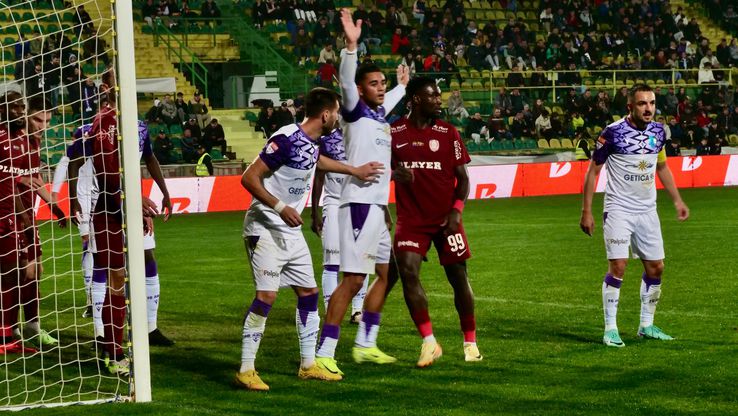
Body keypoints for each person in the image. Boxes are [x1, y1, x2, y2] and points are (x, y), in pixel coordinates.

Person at [235, 87, 383, 391]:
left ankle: (308, 365)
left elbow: (319, 162)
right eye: (337, 112)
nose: (339, 117)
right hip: (264, 226)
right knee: (267, 297)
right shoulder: (286, 137)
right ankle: (246, 369)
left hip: (289, 230)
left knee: (309, 293)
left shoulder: (312, 143)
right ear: (326, 114)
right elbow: (249, 177)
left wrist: (353, 170)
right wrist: (280, 206)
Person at [314, 9, 409, 377]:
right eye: (374, 83)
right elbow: (348, 84)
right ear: (360, 88)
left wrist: (401, 85)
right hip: (357, 207)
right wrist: (350, 47)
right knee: (353, 279)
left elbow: (387, 103)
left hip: (376, 208)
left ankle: (366, 344)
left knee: (389, 273)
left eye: (383, 82)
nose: (380, 87)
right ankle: (325, 351)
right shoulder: (353, 111)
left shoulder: (379, 117)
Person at [580, 84, 689, 348]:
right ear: (630, 106)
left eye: (652, 103)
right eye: (642, 103)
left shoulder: (659, 132)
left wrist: (677, 200)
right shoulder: (612, 133)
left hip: (647, 210)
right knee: (618, 266)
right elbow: (593, 172)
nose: (648, 108)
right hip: (618, 209)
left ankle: (646, 325)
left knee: (656, 267)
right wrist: (587, 211)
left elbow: (661, 167)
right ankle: (610, 329)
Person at [389, 77, 481, 367]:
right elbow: (378, 171)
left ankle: (470, 342)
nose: (438, 101)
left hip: (445, 220)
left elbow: (463, 180)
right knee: (407, 271)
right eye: (433, 96)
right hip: (411, 220)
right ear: (416, 99)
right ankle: (429, 342)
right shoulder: (393, 133)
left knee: (458, 279)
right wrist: (393, 175)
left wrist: (456, 211)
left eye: (439, 96)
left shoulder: (448, 132)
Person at [310, 128, 369, 324]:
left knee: (361, 260)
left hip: (359, 203)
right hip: (334, 202)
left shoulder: (365, 138)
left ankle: (358, 310)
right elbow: (319, 175)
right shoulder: (326, 140)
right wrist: (315, 212)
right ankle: (330, 310)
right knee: (332, 260)